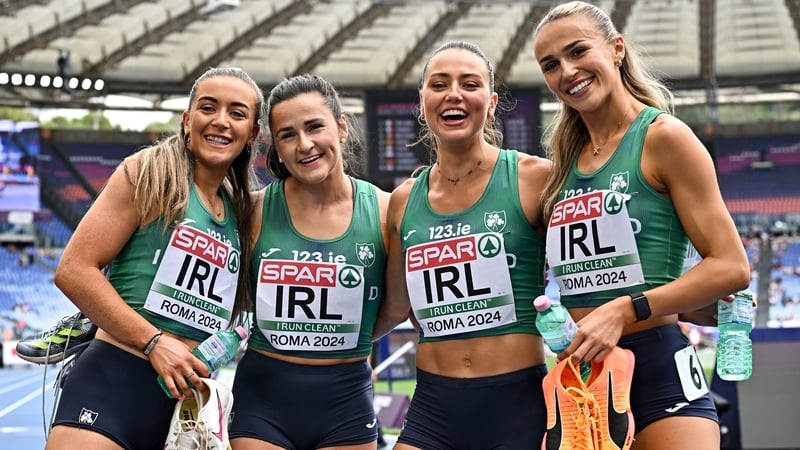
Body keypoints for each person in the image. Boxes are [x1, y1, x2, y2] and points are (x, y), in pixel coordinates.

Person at [532, 2, 751, 449]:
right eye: (551, 65)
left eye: (578, 51)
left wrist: (625, 308)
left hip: (659, 370)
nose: (567, 71)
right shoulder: (563, 166)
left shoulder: (664, 138)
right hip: (584, 378)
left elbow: (732, 266)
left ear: (616, 49)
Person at [44, 66, 264, 450]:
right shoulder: (149, 172)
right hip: (114, 382)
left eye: (237, 113)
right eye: (208, 108)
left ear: (253, 135)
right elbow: (74, 269)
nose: (221, 121)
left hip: (184, 406)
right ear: (187, 119)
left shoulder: (241, 212)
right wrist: (154, 342)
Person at [372, 40, 552, 449]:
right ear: (422, 102)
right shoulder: (403, 201)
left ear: (491, 102)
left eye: (469, 84)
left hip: (519, 406)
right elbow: (398, 308)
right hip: (434, 408)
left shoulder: (535, 179)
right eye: (440, 84)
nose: (453, 94)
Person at [228, 74, 390, 450]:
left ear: (342, 127)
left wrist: (344, 339)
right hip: (262, 401)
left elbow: (396, 304)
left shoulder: (385, 211)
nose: (304, 145)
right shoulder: (252, 211)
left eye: (315, 126)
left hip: (346, 401)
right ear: (275, 148)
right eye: (287, 135)